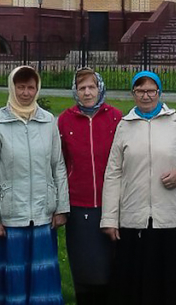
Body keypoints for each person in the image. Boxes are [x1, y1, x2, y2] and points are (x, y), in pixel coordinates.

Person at [101, 71, 176, 305]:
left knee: (168, 283)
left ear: (159, 93)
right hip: (133, 219)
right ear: (133, 94)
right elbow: (113, 173)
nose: (146, 96)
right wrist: (109, 218)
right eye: (140, 91)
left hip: (170, 220)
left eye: (150, 91)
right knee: (133, 283)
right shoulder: (124, 126)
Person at [0, 65, 69, 305]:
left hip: (42, 213)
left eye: (31, 87)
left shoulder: (48, 121)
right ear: (12, 87)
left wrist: (61, 208)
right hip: (10, 218)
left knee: (43, 280)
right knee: (14, 280)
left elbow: (57, 166)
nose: (26, 93)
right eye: (21, 87)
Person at [57, 68, 123, 305]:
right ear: (75, 91)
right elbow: (59, 163)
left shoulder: (116, 117)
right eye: (82, 88)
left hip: (112, 204)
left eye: (91, 87)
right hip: (79, 204)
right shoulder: (65, 120)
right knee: (85, 265)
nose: (87, 92)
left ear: (100, 88)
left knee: (110, 264)